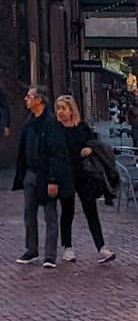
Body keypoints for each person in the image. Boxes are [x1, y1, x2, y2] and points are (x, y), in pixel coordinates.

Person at [13, 84, 73, 267]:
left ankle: (50, 255)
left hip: (46, 175)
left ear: (39, 100)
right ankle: (31, 250)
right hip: (30, 173)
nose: (26, 99)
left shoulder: (51, 123)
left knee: (50, 215)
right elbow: (23, 149)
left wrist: (53, 180)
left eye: (29, 96)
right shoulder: (29, 122)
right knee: (29, 213)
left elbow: (57, 154)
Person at [54, 94, 115, 264]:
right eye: (58, 108)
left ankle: (101, 247)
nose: (60, 112)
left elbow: (93, 142)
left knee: (91, 210)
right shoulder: (56, 129)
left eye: (63, 108)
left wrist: (89, 148)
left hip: (83, 174)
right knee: (67, 211)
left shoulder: (82, 127)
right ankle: (67, 247)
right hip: (65, 175)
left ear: (71, 110)